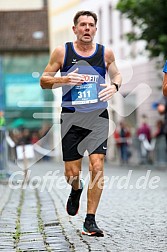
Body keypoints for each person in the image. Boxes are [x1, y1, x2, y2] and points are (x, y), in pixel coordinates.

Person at [40, 10, 122, 237]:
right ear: (75, 29)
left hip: (97, 116)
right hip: (71, 118)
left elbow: (116, 75)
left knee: (97, 166)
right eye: (82, 25)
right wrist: (64, 79)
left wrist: (114, 87)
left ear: (95, 29)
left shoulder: (106, 54)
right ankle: (76, 189)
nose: (87, 28)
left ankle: (90, 220)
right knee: (72, 173)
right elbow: (44, 81)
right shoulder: (62, 52)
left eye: (91, 25)